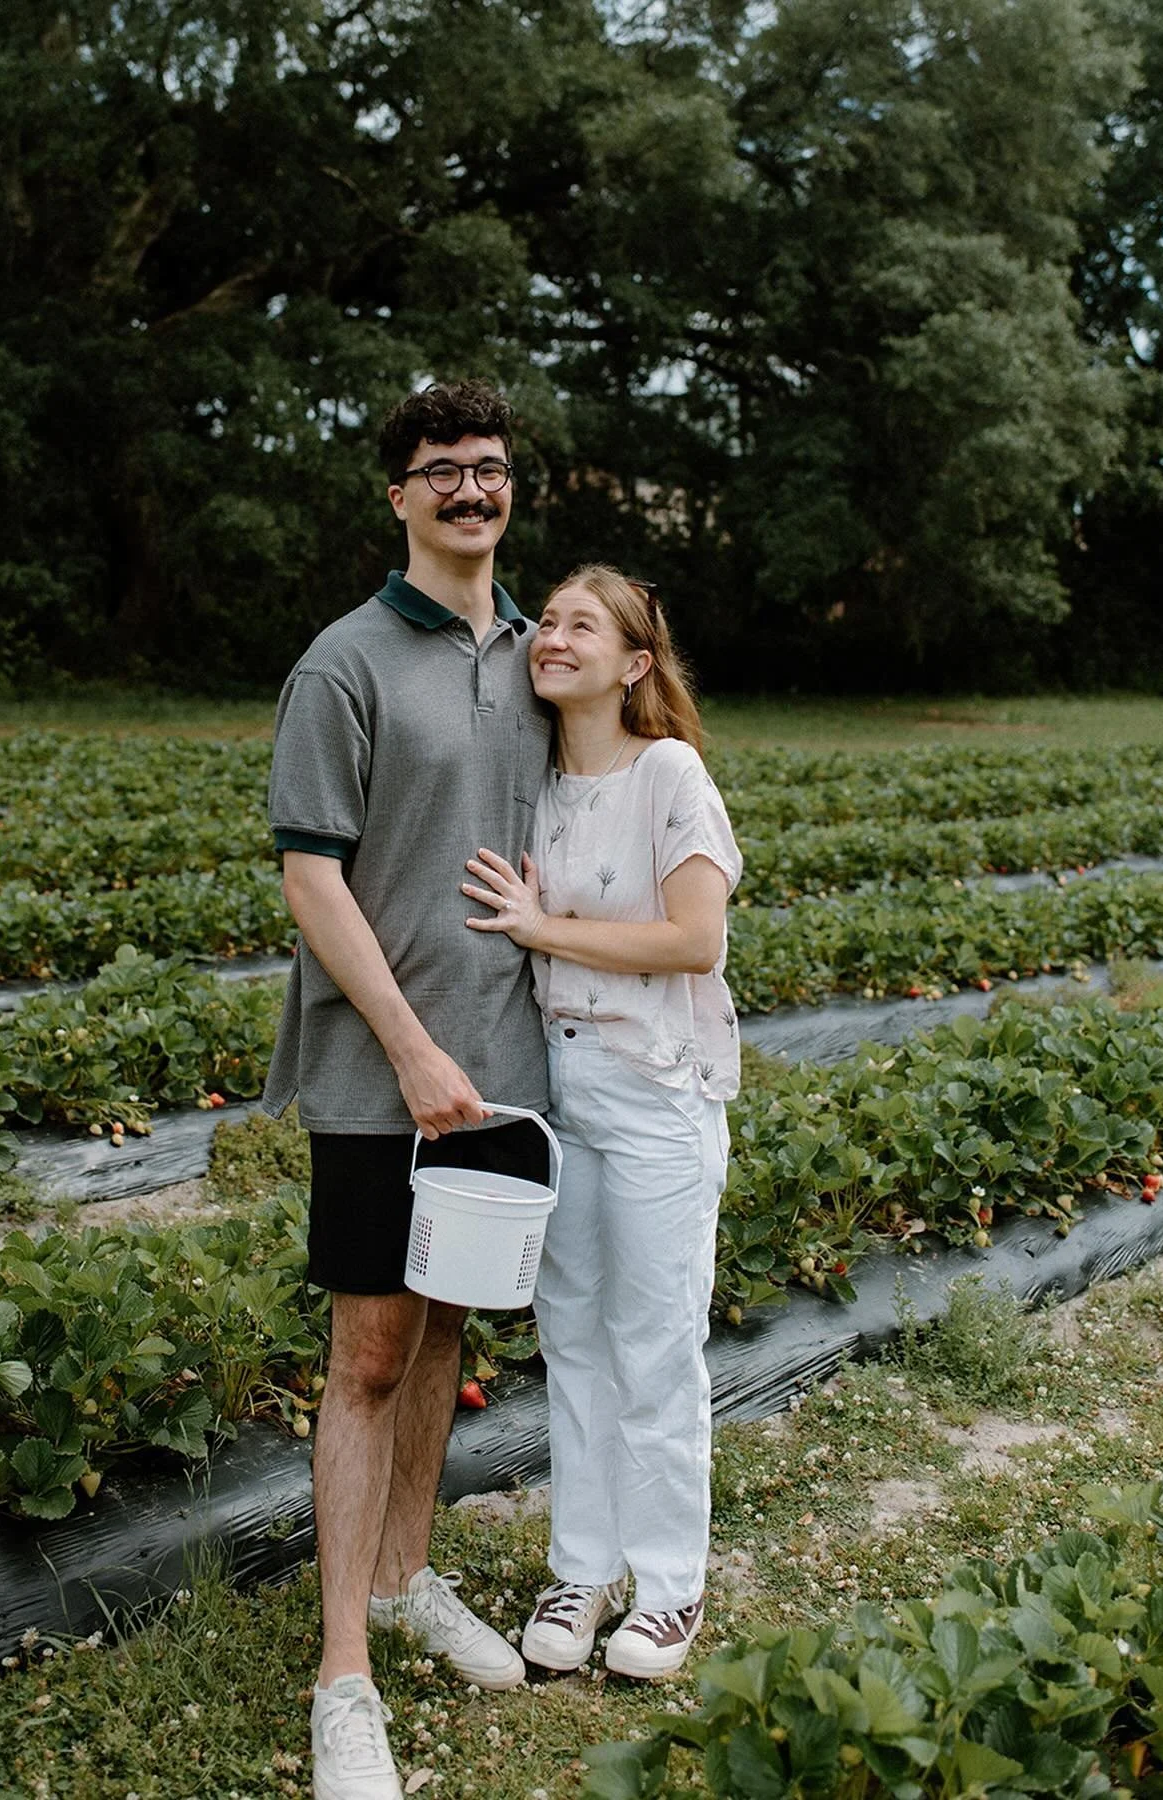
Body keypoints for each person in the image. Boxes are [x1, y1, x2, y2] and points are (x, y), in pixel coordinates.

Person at [264, 380, 553, 1800]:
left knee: (445, 1327)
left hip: (506, 1064)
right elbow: (311, 873)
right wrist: (414, 1051)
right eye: (440, 471)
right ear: (398, 498)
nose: (468, 490)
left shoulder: (540, 645)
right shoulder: (347, 663)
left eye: (488, 468)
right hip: (388, 1073)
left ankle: (405, 1580)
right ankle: (343, 1680)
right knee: (369, 1355)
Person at [462, 563, 741, 1681]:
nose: (553, 637)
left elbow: (693, 942)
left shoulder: (668, 772)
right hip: (558, 1092)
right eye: (548, 622)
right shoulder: (532, 782)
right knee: (570, 1337)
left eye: (584, 625)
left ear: (634, 665)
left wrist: (543, 930)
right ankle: (582, 1569)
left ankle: (670, 1588)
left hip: (659, 1093)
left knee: (657, 1340)